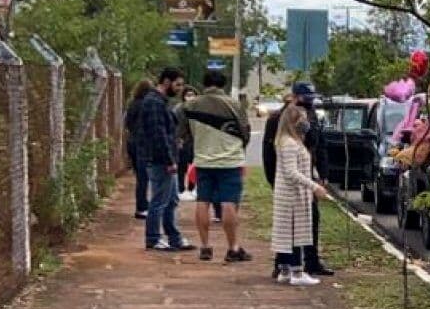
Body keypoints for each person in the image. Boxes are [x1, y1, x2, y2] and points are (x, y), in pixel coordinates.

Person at [263, 82, 333, 276]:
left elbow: (320, 146)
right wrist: (273, 181)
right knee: (287, 225)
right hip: (287, 179)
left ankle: (312, 261)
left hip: (306, 174)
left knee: (310, 220)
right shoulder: (278, 118)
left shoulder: (312, 116)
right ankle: (283, 264)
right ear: (293, 96)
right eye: (304, 98)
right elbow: (268, 154)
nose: (308, 102)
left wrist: (323, 174)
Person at [182, 68, 252, 263]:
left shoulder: (191, 105)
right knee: (229, 203)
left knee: (202, 200)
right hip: (230, 161)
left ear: (204, 84)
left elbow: (183, 131)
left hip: (203, 160)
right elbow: (245, 131)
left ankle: (205, 246)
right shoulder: (234, 105)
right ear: (223, 85)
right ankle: (233, 248)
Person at [134, 67, 191, 252]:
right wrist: (169, 160)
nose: (180, 88)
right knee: (159, 200)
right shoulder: (154, 103)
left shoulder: (160, 102)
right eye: (178, 84)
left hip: (164, 157)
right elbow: (157, 134)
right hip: (159, 160)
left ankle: (174, 236)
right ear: (167, 82)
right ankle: (153, 238)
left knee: (171, 199)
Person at [122, 79, 154, 219]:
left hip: (132, 142)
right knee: (145, 177)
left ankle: (142, 206)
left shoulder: (132, 105)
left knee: (140, 177)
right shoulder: (149, 105)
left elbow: (127, 124)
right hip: (144, 144)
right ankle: (142, 207)